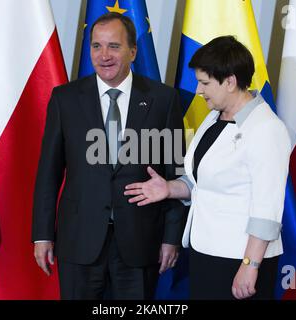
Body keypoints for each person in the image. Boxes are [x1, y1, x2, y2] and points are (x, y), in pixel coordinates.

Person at [32, 12, 185, 300]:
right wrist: (42, 234)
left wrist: (171, 237)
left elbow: (174, 173)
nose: (104, 56)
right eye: (96, 46)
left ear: (133, 51)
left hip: (141, 241)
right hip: (79, 241)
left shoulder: (164, 99)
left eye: (114, 46)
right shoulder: (65, 98)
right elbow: (48, 174)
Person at [125, 35, 291, 300]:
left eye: (204, 83)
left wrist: (250, 266)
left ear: (230, 82)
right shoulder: (214, 117)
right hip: (206, 251)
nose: (199, 91)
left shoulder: (266, 129)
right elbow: (198, 182)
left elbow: (267, 209)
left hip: (240, 259)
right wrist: (168, 188)